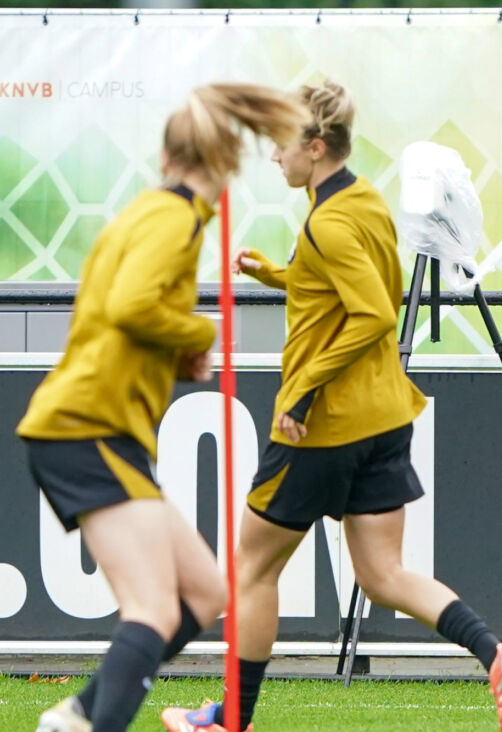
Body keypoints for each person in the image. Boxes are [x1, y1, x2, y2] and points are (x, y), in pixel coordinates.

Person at [161, 79, 502, 732]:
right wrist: (278, 273)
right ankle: (496, 655)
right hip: (385, 418)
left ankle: (229, 721)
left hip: (322, 425)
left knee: (251, 570)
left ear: (314, 145)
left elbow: (372, 313)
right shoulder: (360, 201)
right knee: (384, 574)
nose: (274, 158)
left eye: (280, 146)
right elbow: (353, 278)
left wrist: (302, 391)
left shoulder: (329, 220)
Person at [18, 84, 309, 732]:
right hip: (86, 426)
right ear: (226, 159)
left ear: (165, 152)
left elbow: (117, 317)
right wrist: (199, 334)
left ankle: (77, 717)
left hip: (98, 424)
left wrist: (174, 351)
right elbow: (129, 306)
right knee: (150, 610)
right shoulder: (172, 219)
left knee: (206, 593)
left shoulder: (149, 213)